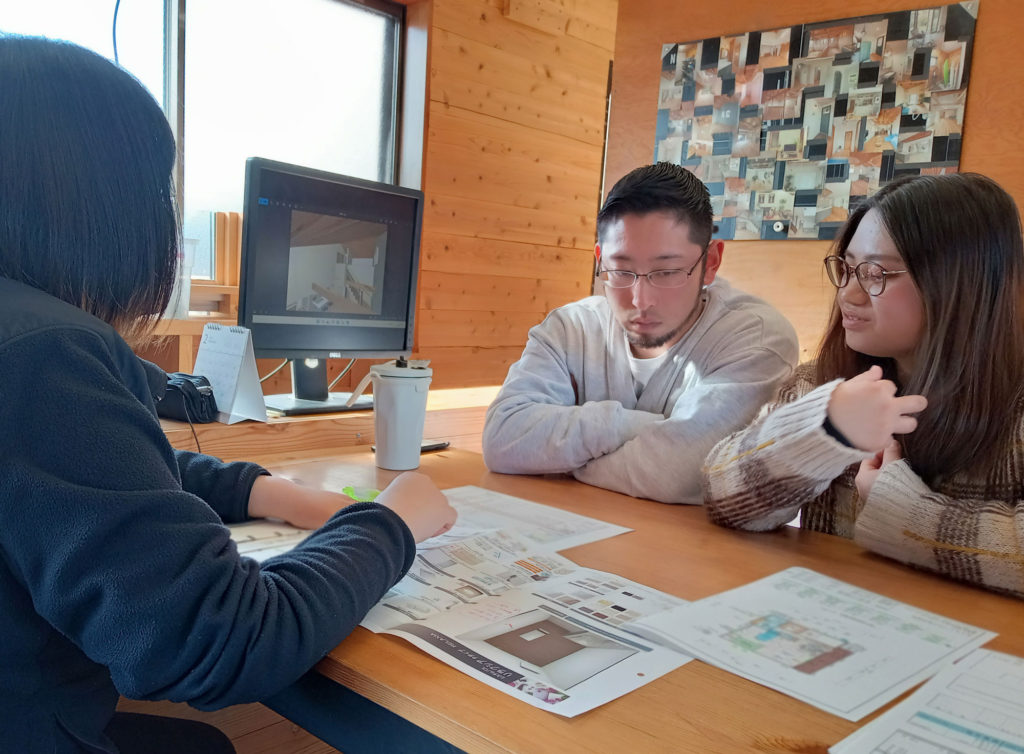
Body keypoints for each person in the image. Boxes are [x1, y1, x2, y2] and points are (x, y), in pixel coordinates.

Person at [0, 36, 458, 753]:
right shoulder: (41, 352)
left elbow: (91, 473)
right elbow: (220, 640)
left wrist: (262, 490)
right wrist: (389, 525)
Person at [703, 172, 1024, 599]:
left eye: (875, 273)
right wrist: (823, 433)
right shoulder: (821, 384)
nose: (848, 295)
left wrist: (903, 513)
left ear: (962, 283)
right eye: (848, 268)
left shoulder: (1013, 411)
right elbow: (723, 495)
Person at [482, 162, 799, 503]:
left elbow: (676, 475)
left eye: (667, 272)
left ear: (710, 263)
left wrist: (562, 460)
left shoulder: (757, 339)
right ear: (600, 259)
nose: (640, 300)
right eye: (621, 270)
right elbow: (502, 440)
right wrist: (631, 426)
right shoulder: (570, 328)